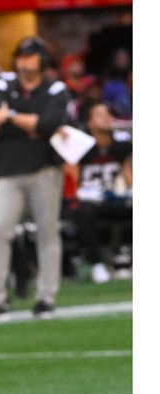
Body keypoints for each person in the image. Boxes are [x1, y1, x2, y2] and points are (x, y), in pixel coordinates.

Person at [0, 37, 72, 322]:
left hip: (44, 168)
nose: (25, 62)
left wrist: (13, 117)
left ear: (41, 60)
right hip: (8, 169)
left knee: (47, 232)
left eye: (30, 57)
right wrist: (29, 124)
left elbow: (48, 124)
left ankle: (46, 296)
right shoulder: (5, 84)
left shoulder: (55, 88)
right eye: (21, 56)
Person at [63, 101, 131, 283]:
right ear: (90, 122)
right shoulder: (81, 146)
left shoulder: (122, 144)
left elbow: (128, 173)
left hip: (116, 196)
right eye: (100, 115)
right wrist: (77, 195)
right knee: (83, 212)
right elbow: (72, 178)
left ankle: (125, 256)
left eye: (108, 114)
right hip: (90, 198)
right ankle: (97, 263)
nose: (107, 118)